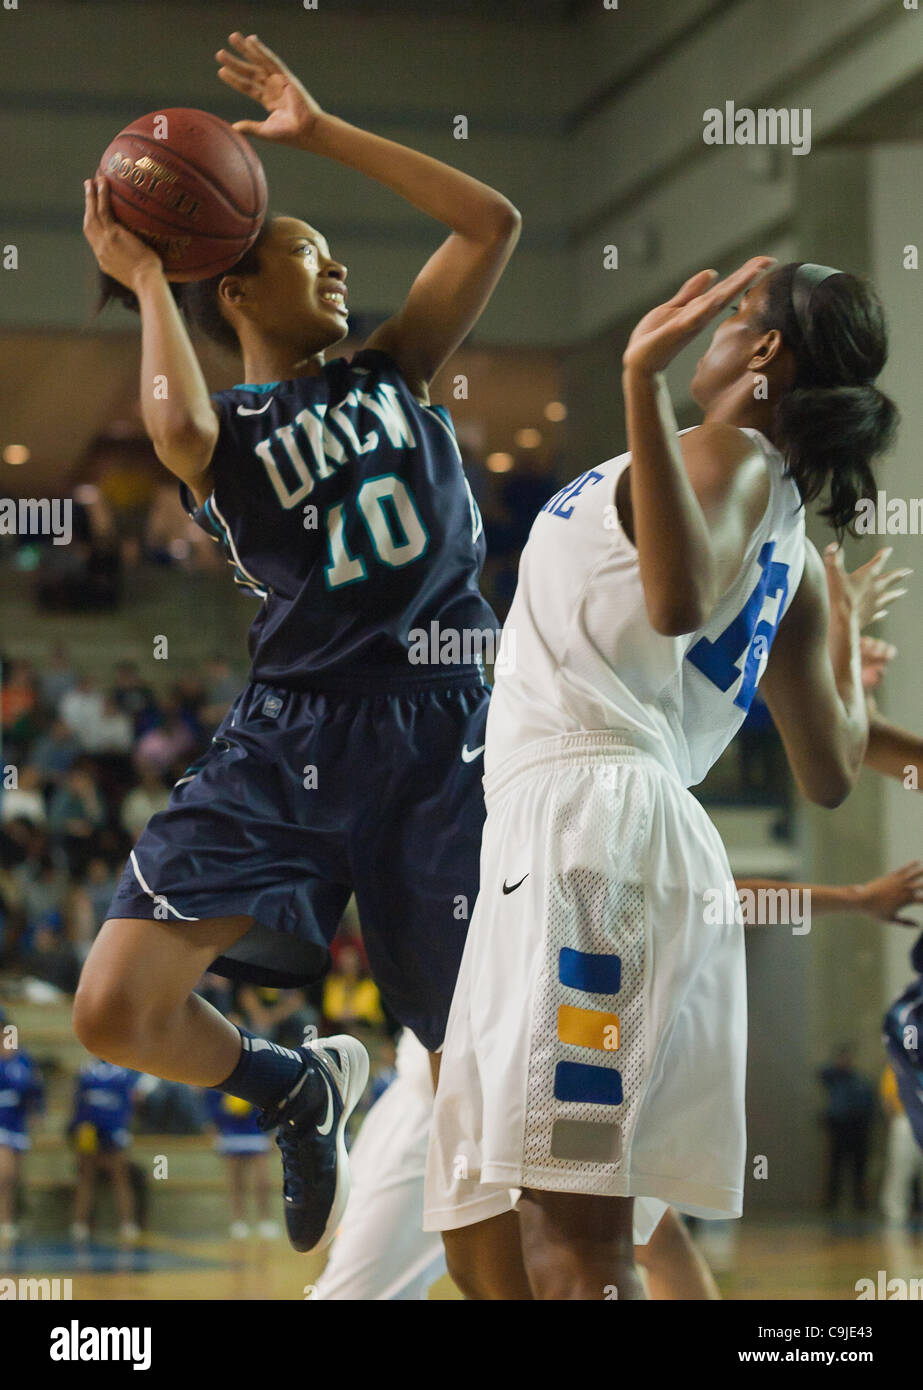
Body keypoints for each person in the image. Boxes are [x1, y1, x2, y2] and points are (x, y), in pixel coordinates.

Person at [75, 30, 520, 1255]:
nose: (334, 271)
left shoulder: (398, 367)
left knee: (462, 1059)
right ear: (234, 287)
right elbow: (168, 425)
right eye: (306, 254)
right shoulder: (223, 431)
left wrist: (317, 133)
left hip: (450, 733)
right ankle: (289, 1083)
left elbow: (491, 222)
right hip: (298, 731)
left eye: (329, 253)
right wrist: (149, 277)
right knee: (113, 1007)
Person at [423, 259, 901, 1299]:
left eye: (731, 315)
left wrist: (639, 378)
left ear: (761, 351)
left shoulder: (723, 451)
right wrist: (843, 653)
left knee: (577, 1238)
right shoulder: (793, 552)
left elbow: (675, 599)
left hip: (594, 835)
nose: (713, 329)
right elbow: (830, 770)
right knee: (482, 1226)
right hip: (592, 834)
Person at [317, 860, 923, 1300]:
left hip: (557, 1093)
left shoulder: (603, 826)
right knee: (354, 1293)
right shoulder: (480, 807)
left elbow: (721, 898)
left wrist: (854, 895)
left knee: (654, 1249)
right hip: (437, 1110)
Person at [68, 1057, 145, 1244]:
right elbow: (79, 1102)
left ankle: (128, 1223)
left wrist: (121, 1128)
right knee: (86, 1176)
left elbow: (131, 1103)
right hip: (90, 1131)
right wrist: (78, 1128)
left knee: (120, 1176)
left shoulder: (124, 1072)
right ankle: (80, 1223)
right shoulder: (86, 1070)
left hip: (114, 1130)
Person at [203, 1089, 279, 1241]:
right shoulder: (216, 1084)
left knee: (262, 1181)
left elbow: (270, 1106)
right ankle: (238, 1220)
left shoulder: (254, 1078)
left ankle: (265, 1220)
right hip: (230, 1133)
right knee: (235, 1181)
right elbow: (209, 1110)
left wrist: (271, 1134)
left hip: (255, 1132)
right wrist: (215, 1133)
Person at [0, 1007, 45, 1244]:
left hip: (17, 1122)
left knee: (14, 1176)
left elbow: (36, 1089)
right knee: (4, 1175)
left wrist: (38, 1111)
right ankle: (5, 1221)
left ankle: (12, 1219)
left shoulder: (23, 1058)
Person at [818, 1046, 877, 1214]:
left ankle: (860, 1203)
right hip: (839, 1128)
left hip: (858, 1129)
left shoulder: (860, 1081)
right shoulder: (834, 1078)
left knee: (859, 1169)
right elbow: (822, 1074)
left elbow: (868, 1107)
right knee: (835, 1168)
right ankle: (830, 1203)